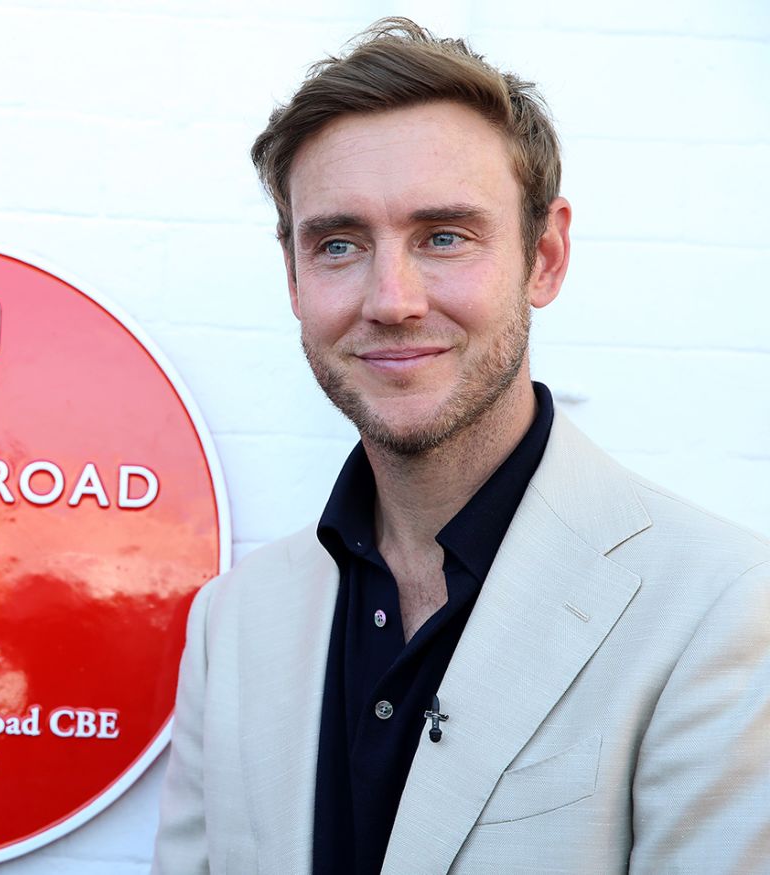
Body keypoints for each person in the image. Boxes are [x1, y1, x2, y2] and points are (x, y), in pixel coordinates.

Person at [151, 17, 770, 874]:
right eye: (339, 244)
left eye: (444, 236)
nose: (392, 299)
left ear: (544, 256)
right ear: (292, 278)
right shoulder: (234, 623)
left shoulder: (722, 607)